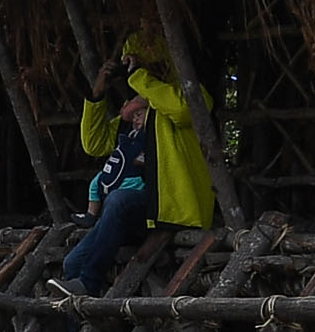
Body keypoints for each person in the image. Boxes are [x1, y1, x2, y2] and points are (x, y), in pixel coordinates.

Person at [57, 33, 215, 295]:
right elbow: (94, 144)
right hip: (142, 213)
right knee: (71, 262)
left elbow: (179, 110)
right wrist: (97, 94)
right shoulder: (134, 114)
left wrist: (140, 77)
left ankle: (89, 283)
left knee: (118, 200)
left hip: (172, 209)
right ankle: (83, 327)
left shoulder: (190, 96)